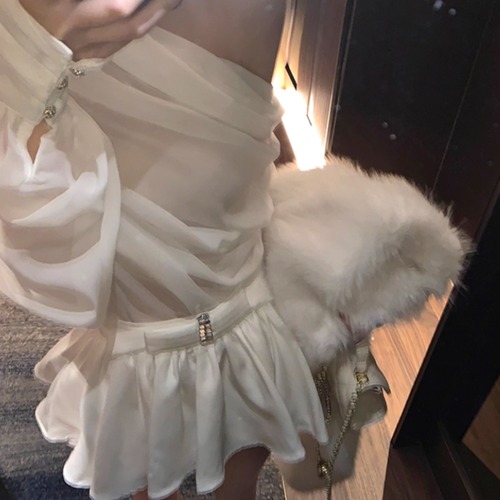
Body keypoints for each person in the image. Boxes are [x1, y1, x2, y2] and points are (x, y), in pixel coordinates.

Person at [0, 1, 328, 499]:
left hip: (210, 41)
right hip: (76, 41)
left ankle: (227, 487)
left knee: (225, 266)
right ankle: (174, 486)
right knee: (151, 303)